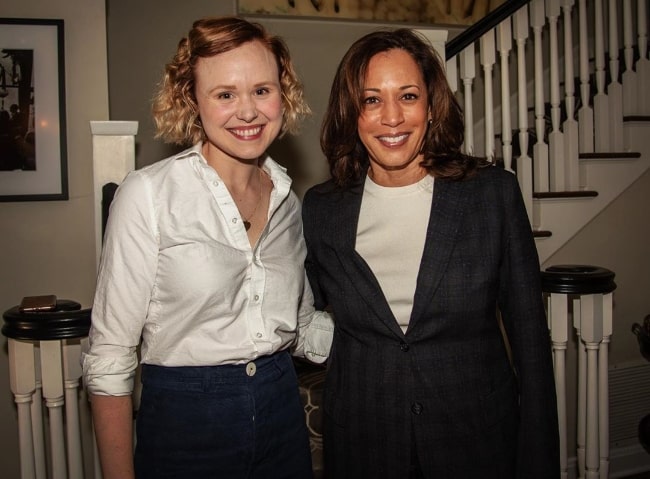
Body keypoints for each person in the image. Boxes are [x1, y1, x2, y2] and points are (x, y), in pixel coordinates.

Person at [301, 28, 560, 479]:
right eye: (372, 100)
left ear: (432, 106)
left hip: (476, 442)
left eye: (407, 96)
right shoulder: (322, 209)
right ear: (353, 113)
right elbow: (307, 318)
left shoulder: (491, 195)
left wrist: (537, 460)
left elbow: (532, 343)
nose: (392, 118)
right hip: (364, 443)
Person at [82, 16, 331, 479]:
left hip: (282, 420)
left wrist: (388, 331)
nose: (249, 111)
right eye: (225, 94)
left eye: (262, 90)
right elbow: (110, 358)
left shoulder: (288, 202)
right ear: (192, 100)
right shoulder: (148, 195)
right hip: (184, 429)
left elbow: (297, 327)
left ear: (283, 94)